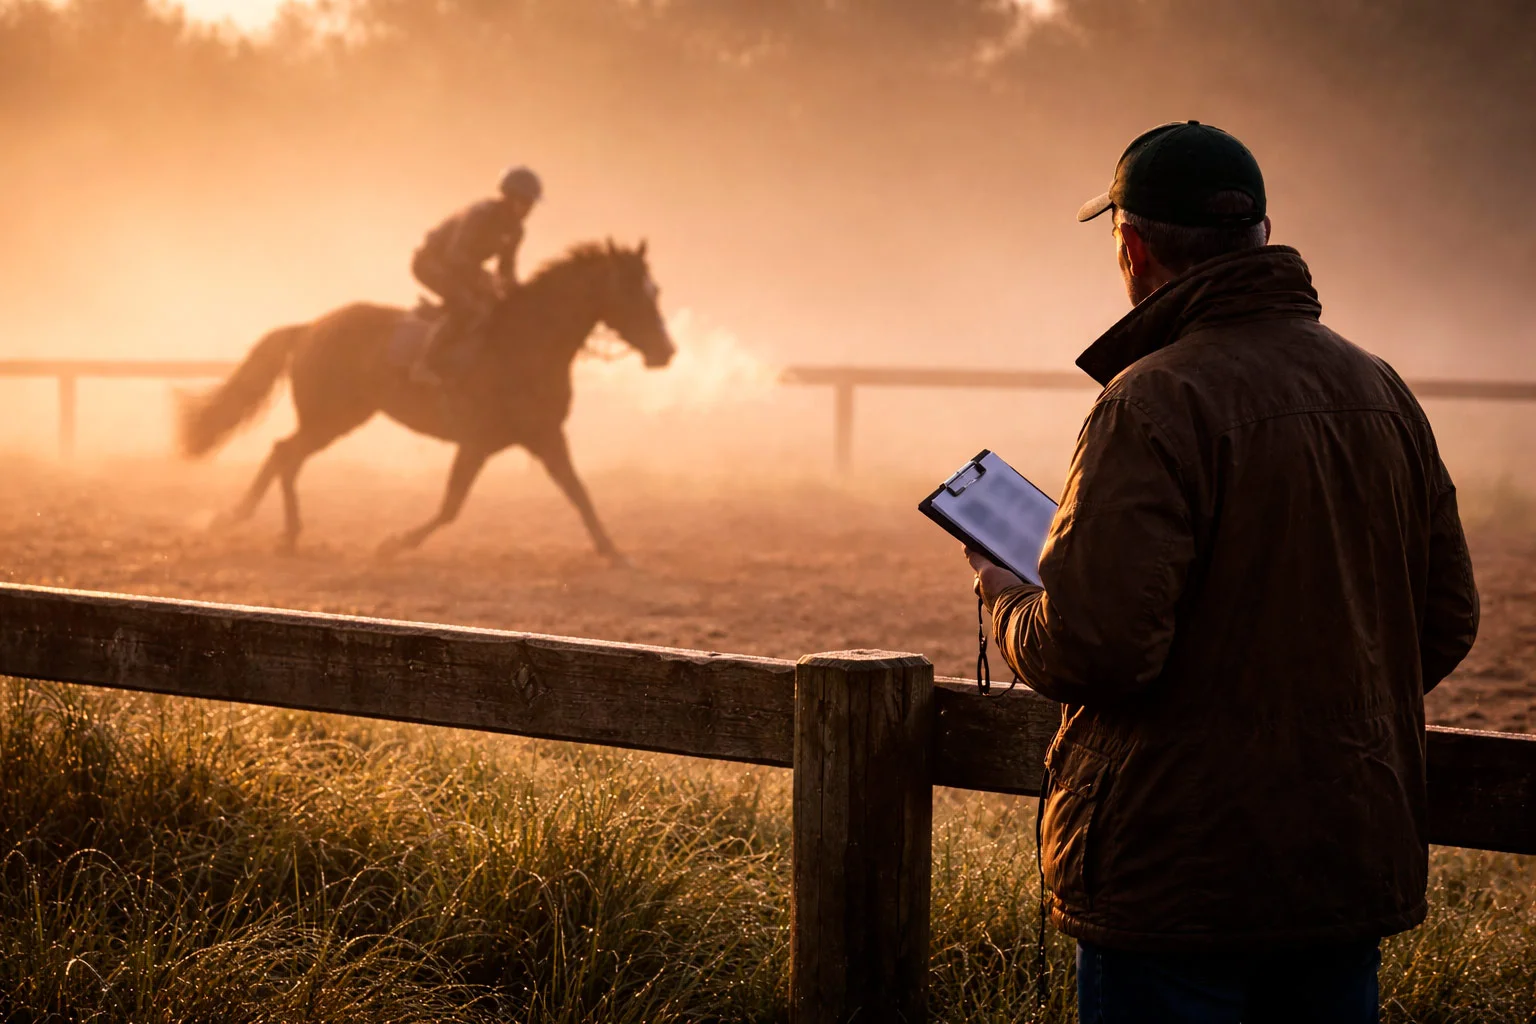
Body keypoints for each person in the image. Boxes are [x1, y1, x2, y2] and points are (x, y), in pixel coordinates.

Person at [966, 121, 1479, 1023]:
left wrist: (1010, 596)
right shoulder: (1383, 390)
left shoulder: (1150, 401)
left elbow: (1097, 648)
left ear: (1131, 246)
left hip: (1178, 876)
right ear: (1263, 240)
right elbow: (1445, 619)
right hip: (1345, 855)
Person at [409, 165, 543, 386]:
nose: (529, 209)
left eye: (531, 204)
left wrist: (520, 296)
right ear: (509, 198)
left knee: (496, 307)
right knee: (468, 308)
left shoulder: (516, 230)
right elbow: (455, 256)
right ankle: (424, 365)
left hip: (459, 269)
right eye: (525, 202)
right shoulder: (479, 215)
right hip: (430, 264)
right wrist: (485, 280)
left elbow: (506, 269)